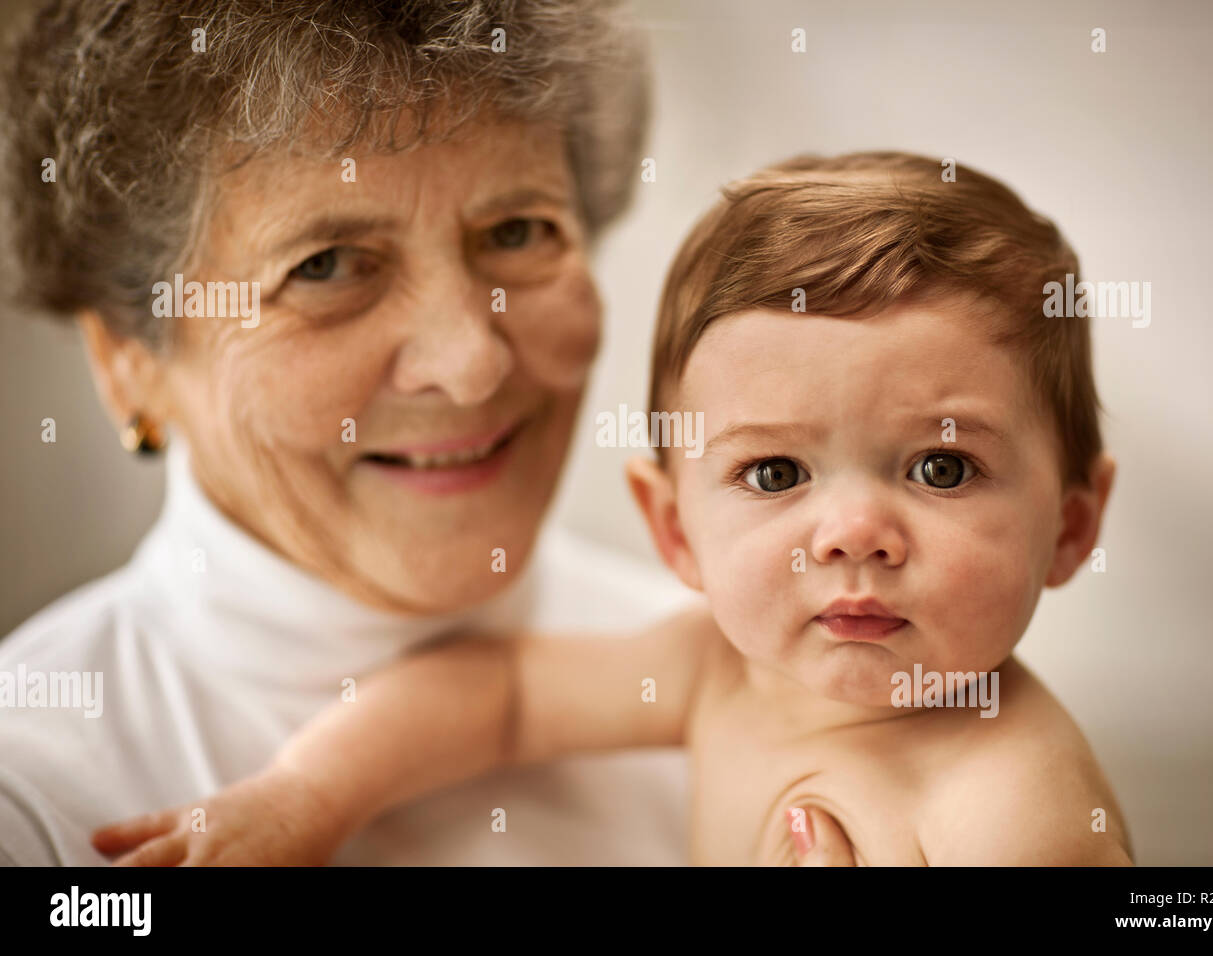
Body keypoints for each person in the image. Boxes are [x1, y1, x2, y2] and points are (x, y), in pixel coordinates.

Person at [95, 151, 1134, 866]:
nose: (852, 531)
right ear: (674, 526)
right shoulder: (715, 668)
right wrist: (304, 800)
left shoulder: (1011, 811)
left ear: (1072, 527)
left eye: (942, 470)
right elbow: (495, 694)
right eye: (775, 474)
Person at [0, 0, 713, 866]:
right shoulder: (31, 793)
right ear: (128, 362)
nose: (469, 363)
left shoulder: (765, 673)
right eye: (326, 266)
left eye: (517, 232)